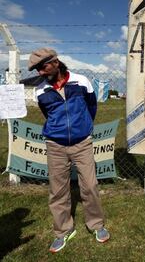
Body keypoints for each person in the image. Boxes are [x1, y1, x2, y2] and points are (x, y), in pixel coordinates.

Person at [28, 48, 110, 253]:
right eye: (37, 69)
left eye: (42, 66)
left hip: (82, 143)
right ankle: (63, 231)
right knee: (58, 190)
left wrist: (84, 127)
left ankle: (97, 225)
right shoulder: (40, 90)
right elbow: (48, 114)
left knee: (90, 185)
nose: (40, 72)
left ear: (55, 62)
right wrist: (60, 131)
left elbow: (92, 107)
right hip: (55, 145)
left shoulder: (81, 81)